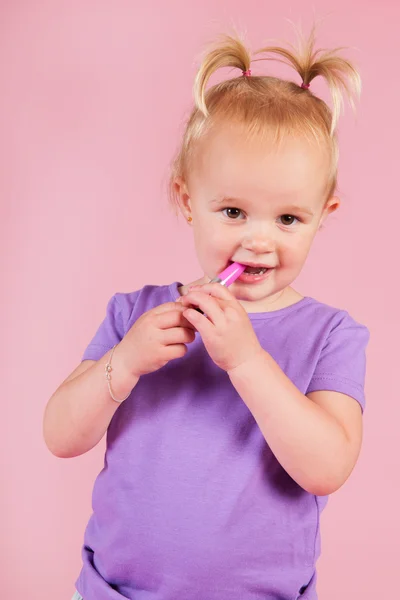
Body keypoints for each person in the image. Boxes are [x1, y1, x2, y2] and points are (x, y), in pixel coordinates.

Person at [43, 26, 370, 600]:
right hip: (114, 591)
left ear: (325, 213)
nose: (259, 241)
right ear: (187, 200)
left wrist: (247, 361)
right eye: (234, 211)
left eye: (288, 219)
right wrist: (125, 362)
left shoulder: (331, 335)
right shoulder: (136, 313)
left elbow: (327, 467)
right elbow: (61, 434)